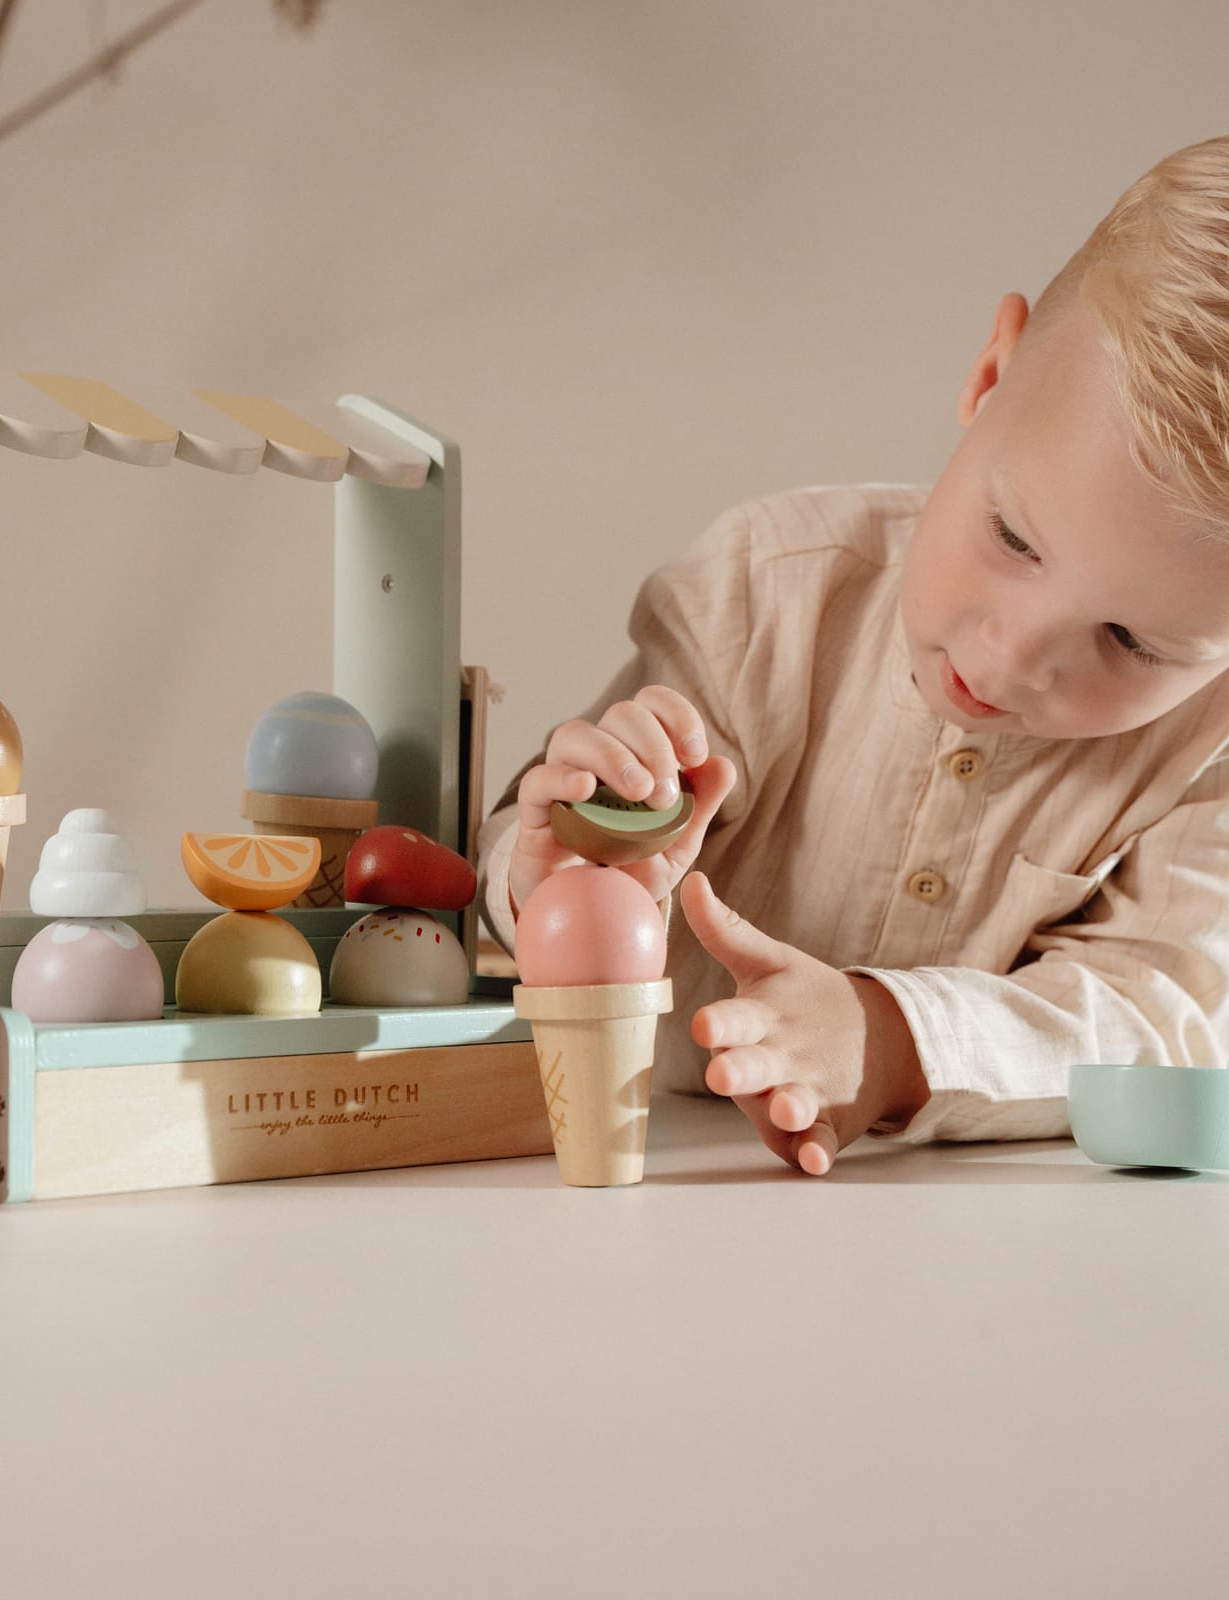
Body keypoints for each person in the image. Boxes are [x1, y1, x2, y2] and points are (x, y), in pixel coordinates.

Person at [477, 135, 1229, 1176]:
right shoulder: (769, 592)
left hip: (968, 1229)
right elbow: (521, 851)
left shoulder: (1211, 748)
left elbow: (1161, 1011)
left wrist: (889, 1040)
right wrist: (553, 875)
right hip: (637, 1162)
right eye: (1013, 537)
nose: (1011, 655)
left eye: (1132, 640)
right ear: (988, 376)